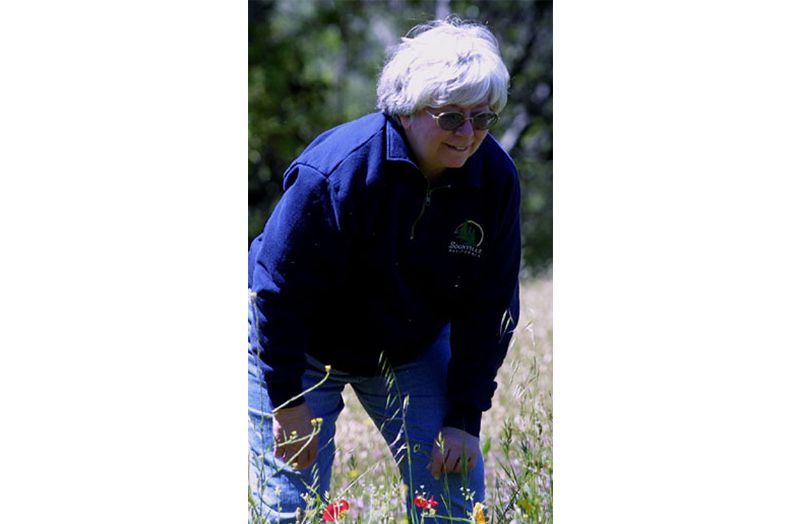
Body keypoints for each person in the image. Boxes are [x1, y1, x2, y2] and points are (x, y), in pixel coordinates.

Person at [248, 17, 521, 522]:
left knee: (457, 505)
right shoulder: (337, 170)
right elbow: (276, 290)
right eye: (450, 118)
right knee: (289, 511)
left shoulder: (496, 181)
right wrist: (287, 402)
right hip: (299, 347)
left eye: (483, 119)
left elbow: (492, 306)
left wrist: (464, 417)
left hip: (410, 348)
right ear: (407, 109)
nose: (468, 135)